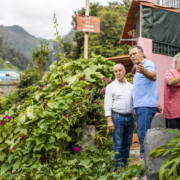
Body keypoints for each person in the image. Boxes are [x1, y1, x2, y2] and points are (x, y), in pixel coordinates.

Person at [129, 45, 162, 159]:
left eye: (134, 53)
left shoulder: (147, 64)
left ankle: (146, 162)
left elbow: (153, 76)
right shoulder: (139, 68)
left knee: (144, 135)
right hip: (143, 106)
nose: (132, 56)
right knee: (144, 134)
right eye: (131, 55)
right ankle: (148, 161)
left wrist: (144, 71)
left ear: (142, 53)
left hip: (145, 106)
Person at [104, 63, 135, 171]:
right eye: (115, 71)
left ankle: (125, 167)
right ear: (114, 73)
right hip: (117, 118)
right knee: (118, 145)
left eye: (120, 70)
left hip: (130, 118)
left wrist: (134, 119)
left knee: (127, 144)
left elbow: (134, 103)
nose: (118, 73)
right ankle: (118, 169)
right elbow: (107, 104)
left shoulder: (131, 86)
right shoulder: (110, 87)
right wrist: (109, 120)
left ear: (124, 71)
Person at [163, 53, 180, 129]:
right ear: (176, 62)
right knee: (173, 138)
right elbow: (169, 82)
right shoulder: (170, 72)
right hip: (174, 113)